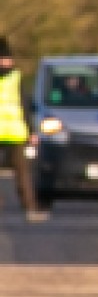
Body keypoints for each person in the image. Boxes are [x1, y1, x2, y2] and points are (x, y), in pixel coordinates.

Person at [0, 39, 44, 223]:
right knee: (22, 173)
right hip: (15, 131)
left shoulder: (16, 79)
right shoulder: (16, 78)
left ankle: (30, 207)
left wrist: (32, 131)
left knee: (23, 173)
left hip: (16, 132)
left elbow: (25, 106)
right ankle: (30, 208)